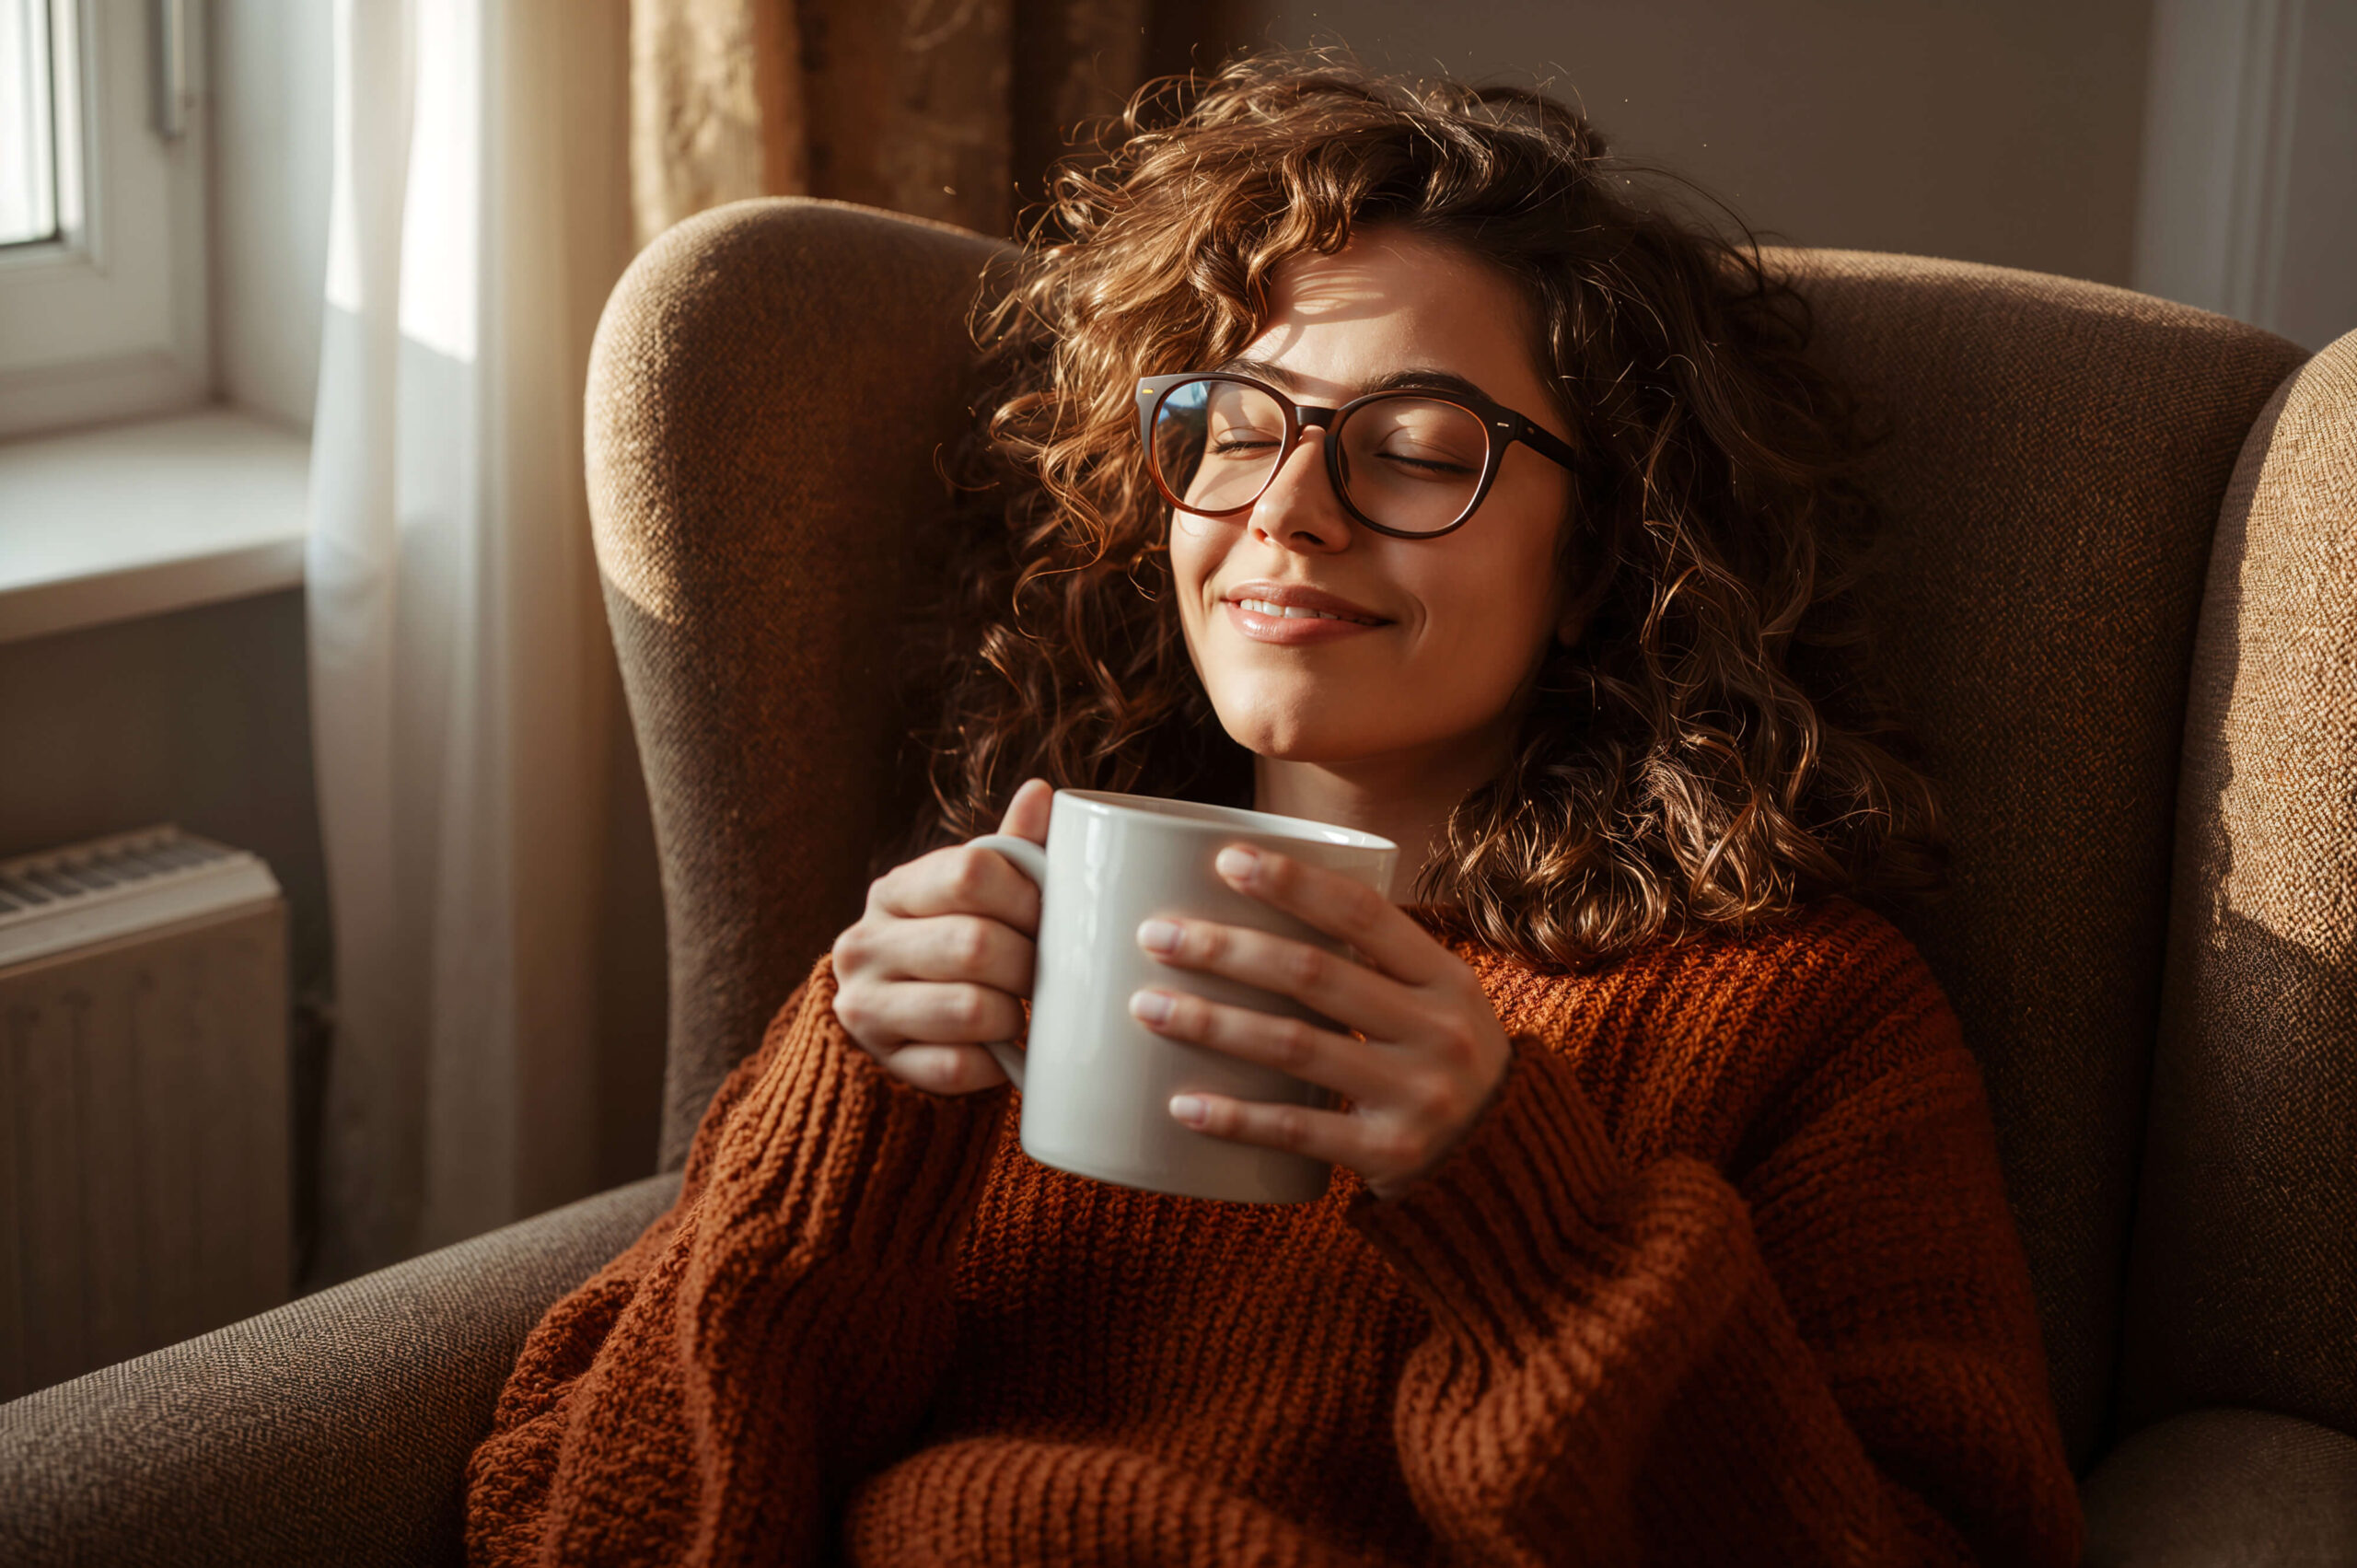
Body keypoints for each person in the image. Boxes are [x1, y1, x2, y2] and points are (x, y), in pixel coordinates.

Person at [466, 51, 2081, 1567]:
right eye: (1234, 430)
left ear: (1601, 555)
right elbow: (572, 1529)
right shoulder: (983, 964)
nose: (1289, 512)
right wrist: (835, 1136)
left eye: (1419, 451)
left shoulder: (1796, 1021)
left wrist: (1531, 1221)